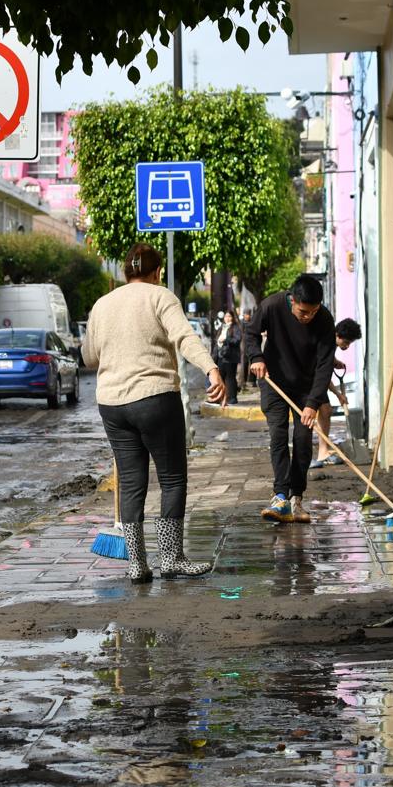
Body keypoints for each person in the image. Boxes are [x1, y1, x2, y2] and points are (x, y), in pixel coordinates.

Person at [83, 243, 227, 582]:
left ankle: (137, 564)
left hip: (113, 405)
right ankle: (172, 558)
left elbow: (89, 357)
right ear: (157, 271)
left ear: (125, 271)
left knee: (131, 482)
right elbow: (185, 338)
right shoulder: (161, 297)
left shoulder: (102, 304)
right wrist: (211, 370)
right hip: (154, 399)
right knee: (172, 478)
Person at [246, 274, 337, 524]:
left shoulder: (325, 320)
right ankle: (280, 496)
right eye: (303, 311)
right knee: (278, 435)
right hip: (273, 381)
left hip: (305, 386)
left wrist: (313, 403)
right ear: (292, 300)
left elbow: (325, 364)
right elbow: (251, 333)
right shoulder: (272, 306)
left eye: (313, 311)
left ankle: (297, 498)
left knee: (303, 438)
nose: (307, 317)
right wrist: (256, 358)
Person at [311, 318, 363, 468]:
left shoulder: (329, 342)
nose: (347, 346)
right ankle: (304, 456)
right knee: (308, 416)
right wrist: (338, 394)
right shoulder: (325, 345)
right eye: (346, 342)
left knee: (326, 411)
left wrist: (334, 361)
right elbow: (323, 375)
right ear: (337, 335)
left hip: (317, 380)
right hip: (308, 380)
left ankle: (323, 452)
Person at [215, 310, 243, 404]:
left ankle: (232, 398)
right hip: (221, 356)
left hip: (231, 356)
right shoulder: (221, 327)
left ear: (233, 317)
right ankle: (221, 398)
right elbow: (216, 340)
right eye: (226, 316)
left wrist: (226, 339)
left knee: (230, 378)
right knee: (221, 377)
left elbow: (237, 340)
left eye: (229, 316)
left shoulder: (235, 327)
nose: (227, 318)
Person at [239, 308, 257, 390]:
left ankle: (252, 380)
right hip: (244, 345)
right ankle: (244, 381)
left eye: (248, 314)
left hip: (252, 344)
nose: (246, 316)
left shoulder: (253, 322)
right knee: (244, 363)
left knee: (253, 362)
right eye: (245, 314)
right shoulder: (241, 323)